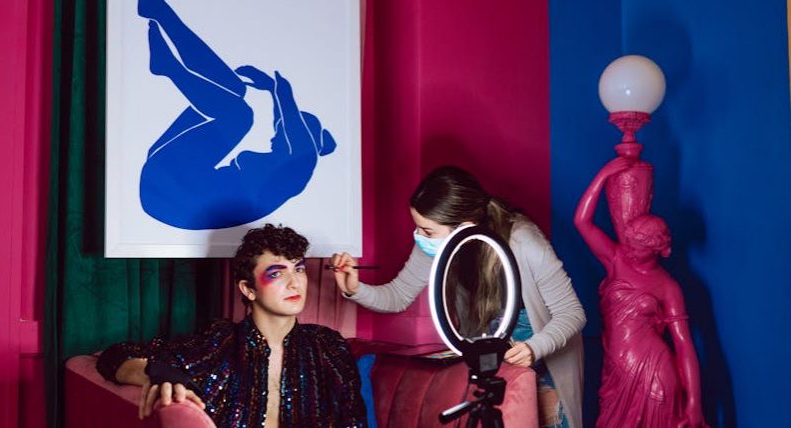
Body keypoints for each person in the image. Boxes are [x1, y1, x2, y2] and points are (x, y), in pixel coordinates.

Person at [329, 165, 586, 428]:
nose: (419, 237)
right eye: (417, 228)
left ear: (464, 226)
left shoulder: (522, 240)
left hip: (542, 346)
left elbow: (572, 313)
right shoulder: (435, 245)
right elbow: (398, 296)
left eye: (427, 231)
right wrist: (354, 288)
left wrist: (535, 347)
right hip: (489, 352)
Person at [96, 224, 366, 428]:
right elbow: (116, 355)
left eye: (298, 269)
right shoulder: (218, 345)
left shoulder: (329, 346)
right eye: (276, 273)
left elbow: (354, 420)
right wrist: (157, 375)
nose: (295, 283)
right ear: (248, 289)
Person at [138, 0, 337, 229]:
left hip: (170, 191)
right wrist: (271, 91)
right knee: (232, 88)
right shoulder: (287, 165)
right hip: (165, 183)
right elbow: (286, 122)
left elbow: (291, 121)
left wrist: (276, 88)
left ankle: (170, 66)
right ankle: (161, 15)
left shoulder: (302, 162)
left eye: (281, 132)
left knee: (240, 115)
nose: (274, 134)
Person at [574, 157, 706, 427]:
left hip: (655, 373)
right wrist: (603, 175)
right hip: (616, 370)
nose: (630, 249)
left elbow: (684, 346)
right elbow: (582, 222)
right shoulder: (616, 260)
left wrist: (694, 402)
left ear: (657, 248)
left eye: (639, 247)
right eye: (630, 243)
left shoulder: (668, 287)